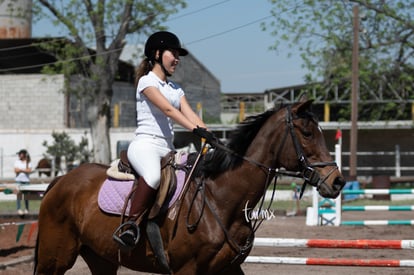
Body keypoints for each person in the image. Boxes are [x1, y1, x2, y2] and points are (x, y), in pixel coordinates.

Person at [113, 31, 209, 249]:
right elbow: (167, 109)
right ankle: (129, 226)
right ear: (157, 54)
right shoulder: (146, 82)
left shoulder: (175, 88)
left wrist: (208, 133)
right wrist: (195, 129)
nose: (177, 59)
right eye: (172, 53)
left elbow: (190, 113)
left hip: (168, 149)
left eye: (178, 55)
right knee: (153, 176)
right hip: (145, 145)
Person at [14, 149, 32, 215]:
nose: (19, 155)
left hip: (26, 181)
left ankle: (27, 208)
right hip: (18, 180)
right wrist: (24, 170)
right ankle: (18, 209)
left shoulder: (28, 162)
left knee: (26, 196)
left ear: (24, 154)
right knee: (18, 195)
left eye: (20, 154)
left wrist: (21, 170)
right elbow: (16, 170)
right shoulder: (17, 162)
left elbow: (29, 171)